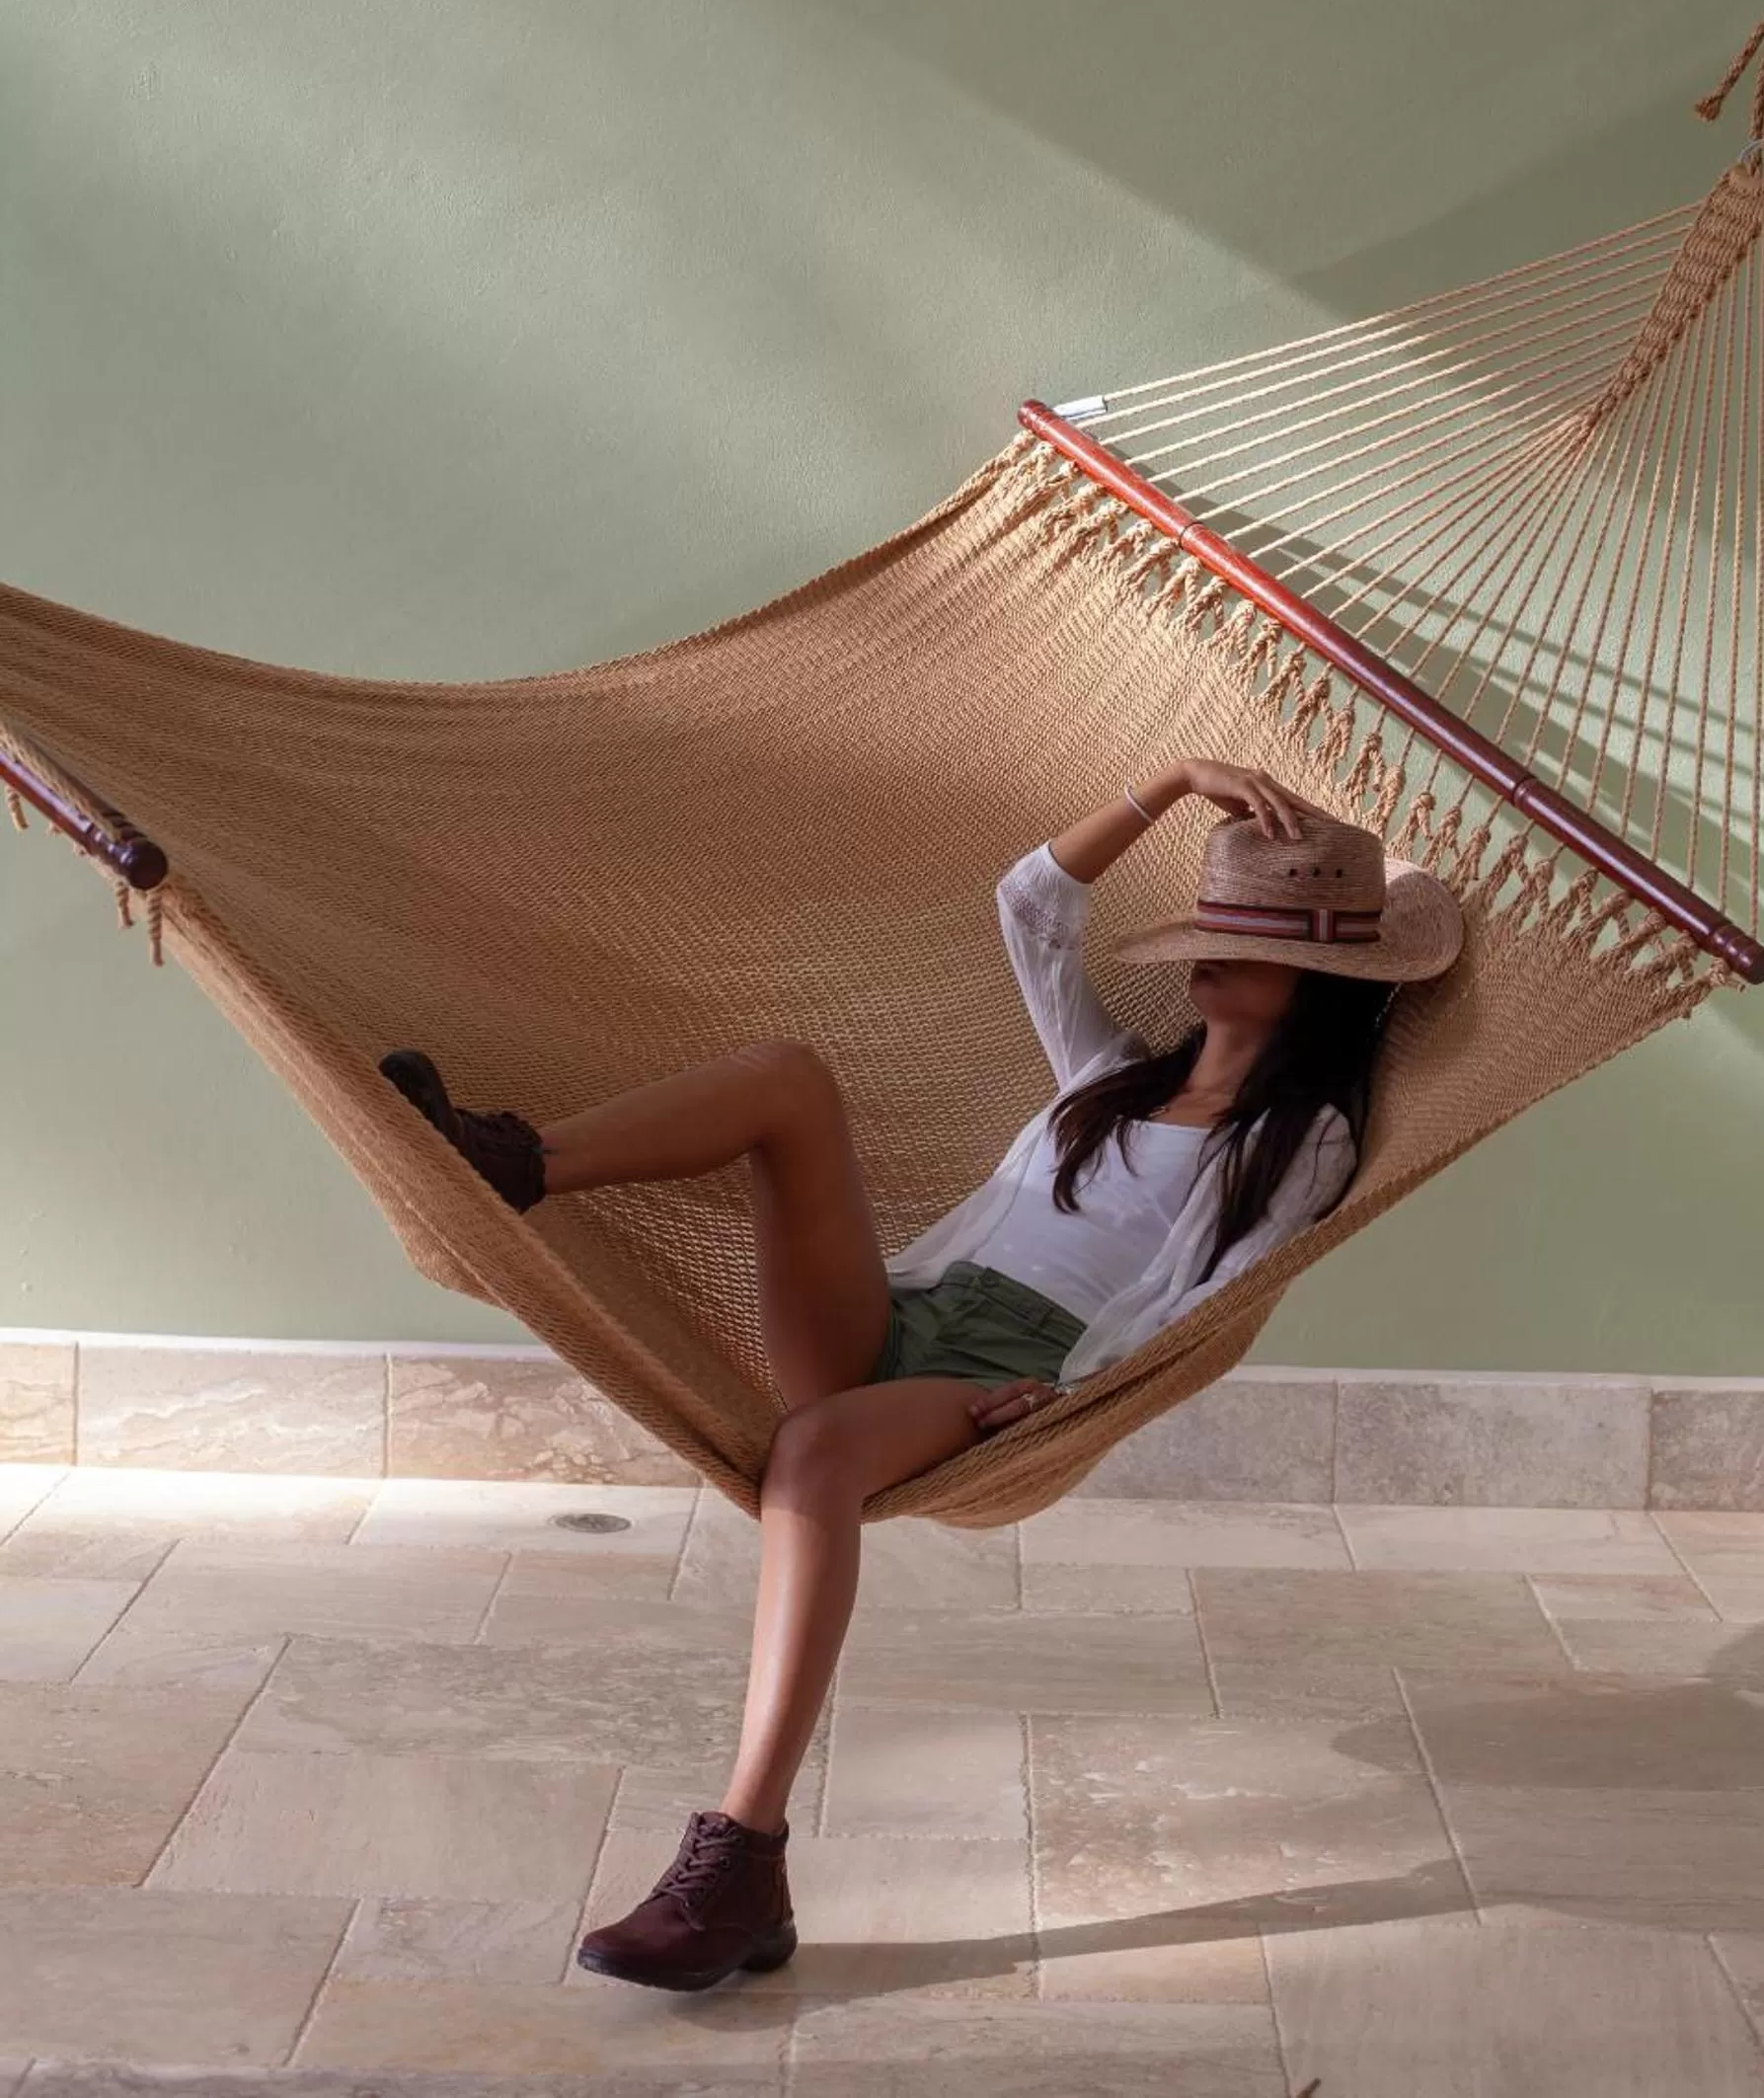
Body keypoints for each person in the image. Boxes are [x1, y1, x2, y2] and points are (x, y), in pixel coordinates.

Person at [378, 756, 1464, 1992]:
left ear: (1316, 981)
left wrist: (1086, 1395)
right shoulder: (1109, 1078)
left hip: (1010, 1375)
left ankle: (740, 1853)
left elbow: (1222, 1296)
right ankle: (515, 1163)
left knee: (815, 1454)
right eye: (1208, 924)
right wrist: (1165, 786)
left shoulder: (1301, 1139)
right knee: (786, 1073)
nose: (1202, 952)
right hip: (897, 1320)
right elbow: (1030, 906)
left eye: (1239, 936)